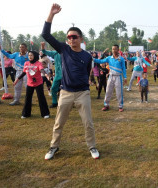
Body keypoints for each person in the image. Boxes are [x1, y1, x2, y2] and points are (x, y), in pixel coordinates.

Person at [42, 3, 99, 160]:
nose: (71, 39)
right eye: (69, 37)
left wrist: (87, 85)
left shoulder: (87, 56)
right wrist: (51, 14)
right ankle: (53, 147)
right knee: (59, 123)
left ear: (80, 38)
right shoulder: (64, 49)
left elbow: (87, 71)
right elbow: (45, 35)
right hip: (66, 92)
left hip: (83, 93)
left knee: (88, 123)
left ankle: (92, 146)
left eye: (74, 37)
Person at [14, 51, 50, 119]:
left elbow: (41, 70)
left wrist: (46, 74)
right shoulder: (26, 63)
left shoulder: (38, 63)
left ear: (35, 56)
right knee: (27, 98)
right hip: (30, 84)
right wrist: (17, 80)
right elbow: (24, 73)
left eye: (31, 55)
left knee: (41, 98)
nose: (30, 57)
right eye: (29, 55)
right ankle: (26, 114)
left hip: (38, 83)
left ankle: (45, 113)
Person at [93, 45, 127, 112]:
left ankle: (120, 106)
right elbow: (101, 61)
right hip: (111, 77)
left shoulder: (121, 59)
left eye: (115, 49)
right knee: (108, 91)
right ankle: (106, 105)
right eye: (112, 49)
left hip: (118, 77)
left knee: (119, 92)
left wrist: (125, 77)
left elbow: (124, 69)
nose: (113, 50)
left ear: (118, 50)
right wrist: (93, 59)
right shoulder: (109, 58)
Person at [41, 42, 62, 108]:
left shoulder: (68, 53)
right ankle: (54, 103)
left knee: (68, 89)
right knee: (53, 88)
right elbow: (45, 51)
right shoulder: (55, 53)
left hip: (66, 75)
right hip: (58, 75)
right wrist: (42, 46)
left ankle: (70, 103)